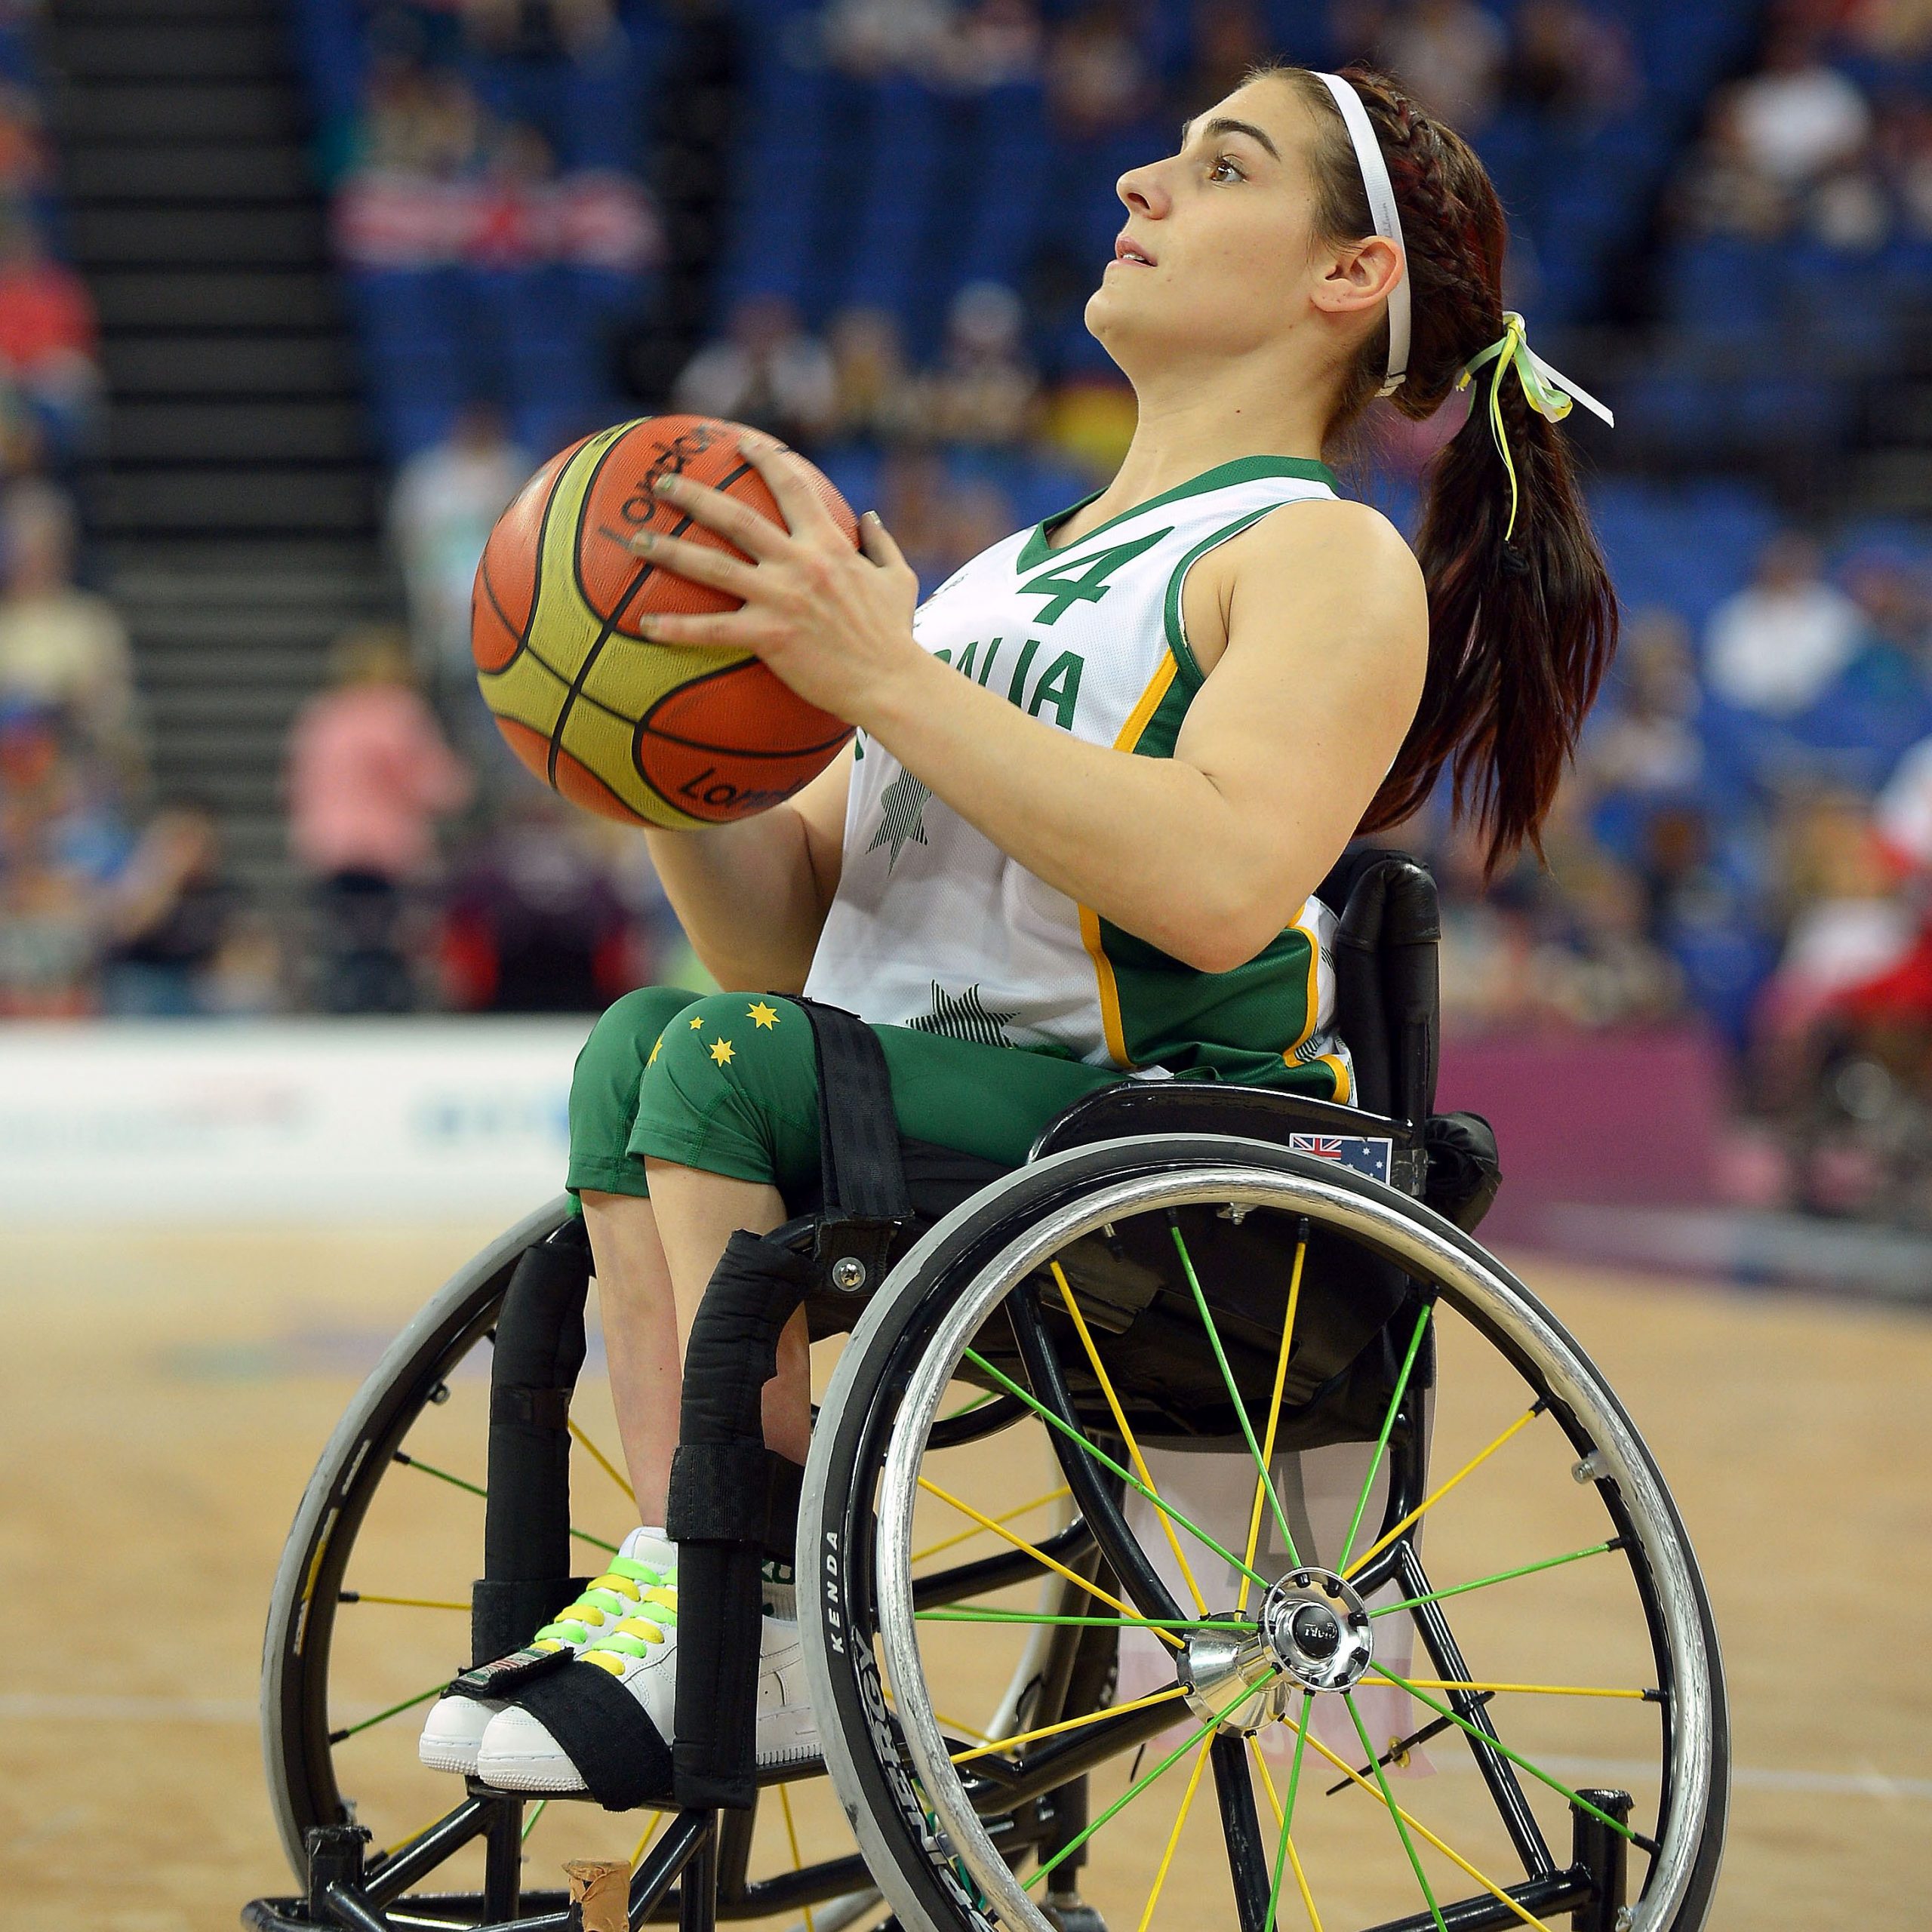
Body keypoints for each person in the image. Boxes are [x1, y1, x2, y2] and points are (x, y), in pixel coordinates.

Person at [417, 60, 1617, 1794]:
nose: (1139, 182)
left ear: (1346, 274)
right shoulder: (989, 579)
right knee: (646, 1045)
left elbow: (1219, 880)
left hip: (1165, 1131)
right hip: (953, 1106)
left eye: (1221, 166)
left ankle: (753, 1604)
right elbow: (783, 953)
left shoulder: (1315, 555)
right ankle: (692, 1569)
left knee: (715, 1056)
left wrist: (884, 678)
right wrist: (652, 745)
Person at [285, 623, 472, 1012]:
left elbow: (299, 782)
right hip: (385, 850)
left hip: (329, 850)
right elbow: (432, 784)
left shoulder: (323, 714)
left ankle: (342, 1007)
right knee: (392, 947)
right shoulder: (399, 712)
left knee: (343, 944)